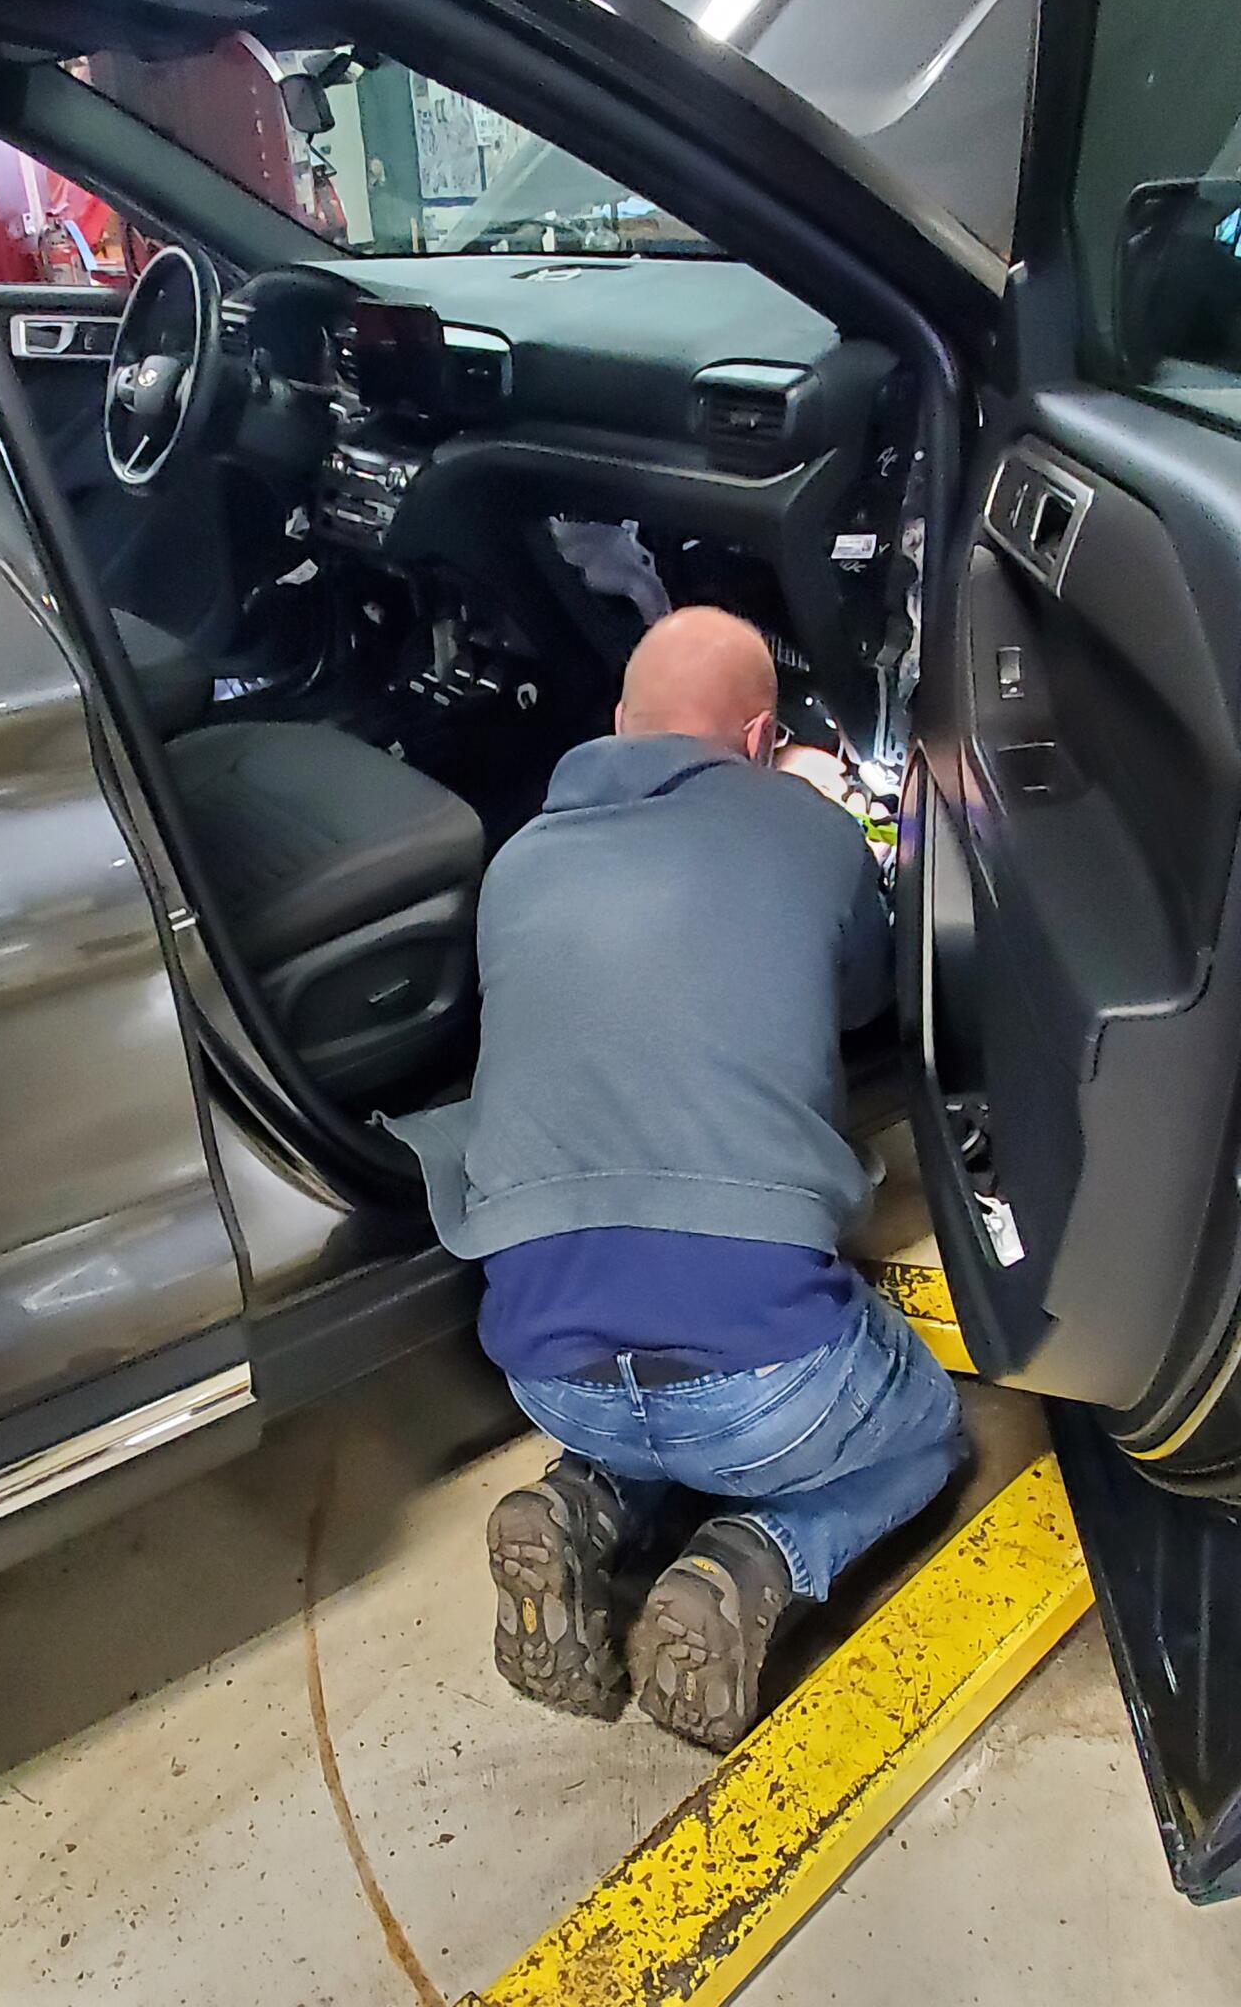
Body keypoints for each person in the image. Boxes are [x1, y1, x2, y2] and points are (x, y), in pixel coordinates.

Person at [387, 607, 966, 1751]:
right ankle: (756, 1558)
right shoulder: (807, 829)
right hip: (768, 1384)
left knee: (648, 1407)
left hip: (549, 1373)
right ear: (757, 739)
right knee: (928, 1431)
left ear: (618, 722)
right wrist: (817, 815)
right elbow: (865, 995)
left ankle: (582, 1499)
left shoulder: (517, 862)